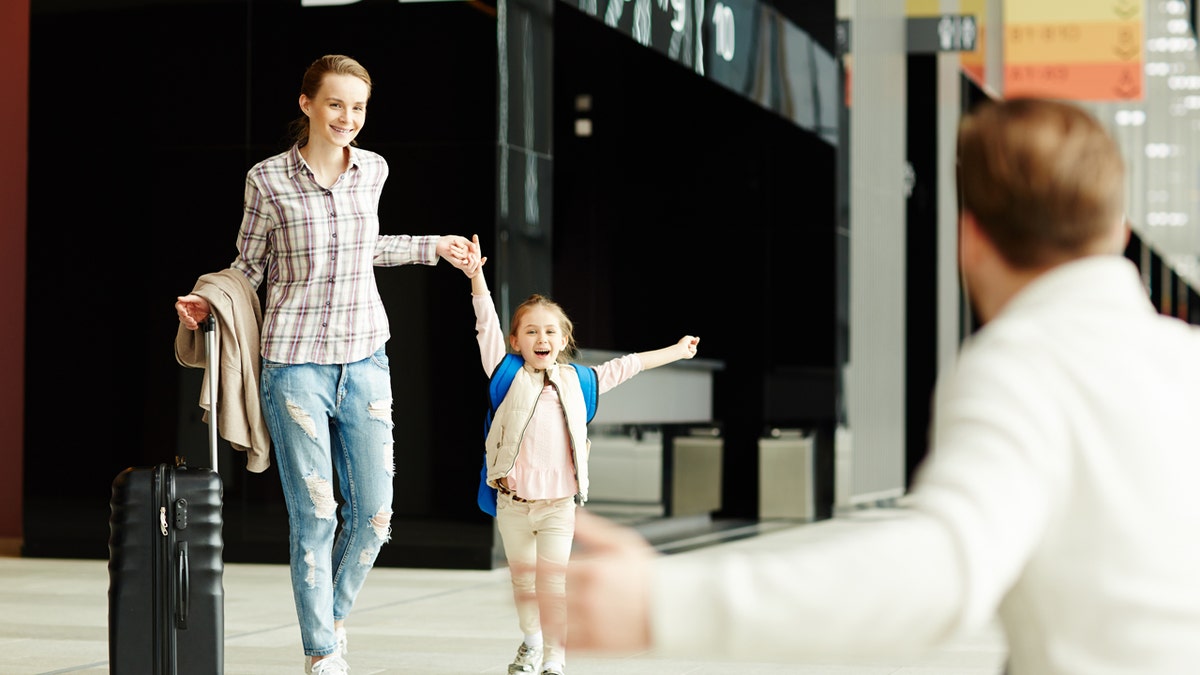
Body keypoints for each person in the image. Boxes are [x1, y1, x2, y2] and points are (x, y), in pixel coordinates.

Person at [563, 97, 1200, 673]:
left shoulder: (1023, 362)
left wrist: (668, 603)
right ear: (1118, 231)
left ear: (970, 238)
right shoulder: (1187, 358)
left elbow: (945, 569)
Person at [174, 54, 481, 675]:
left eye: (359, 107)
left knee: (373, 517)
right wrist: (208, 299)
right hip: (294, 366)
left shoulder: (374, 169)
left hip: (366, 357)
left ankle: (332, 619)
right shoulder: (267, 179)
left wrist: (435, 247)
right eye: (336, 104)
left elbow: (366, 245)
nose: (347, 118)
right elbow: (249, 266)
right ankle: (321, 652)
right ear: (307, 103)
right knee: (315, 514)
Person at [462, 235, 699, 675]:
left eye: (550, 330)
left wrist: (676, 351)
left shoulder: (581, 380)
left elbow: (629, 365)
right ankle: (531, 643)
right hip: (513, 506)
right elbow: (485, 325)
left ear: (564, 338)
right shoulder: (505, 372)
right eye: (530, 330)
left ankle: (555, 658)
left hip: (558, 507)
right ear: (515, 341)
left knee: (552, 584)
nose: (541, 337)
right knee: (523, 583)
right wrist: (476, 276)